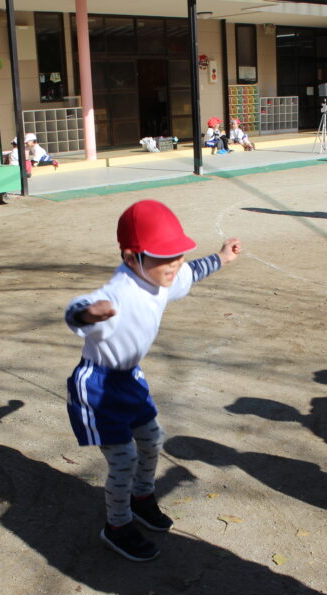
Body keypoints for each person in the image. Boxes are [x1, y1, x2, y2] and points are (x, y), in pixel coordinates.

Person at [64, 200, 242, 561]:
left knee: (153, 438)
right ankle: (117, 526)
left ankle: (141, 497)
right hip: (97, 387)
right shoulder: (117, 293)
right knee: (124, 457)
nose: (174, 264)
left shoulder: (162, 277)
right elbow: (76, 311)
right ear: (132, 258)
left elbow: (192, 270)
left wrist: (222, 257)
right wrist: (88, 313)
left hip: (130, 379)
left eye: (177, 254)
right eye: (165, 257)